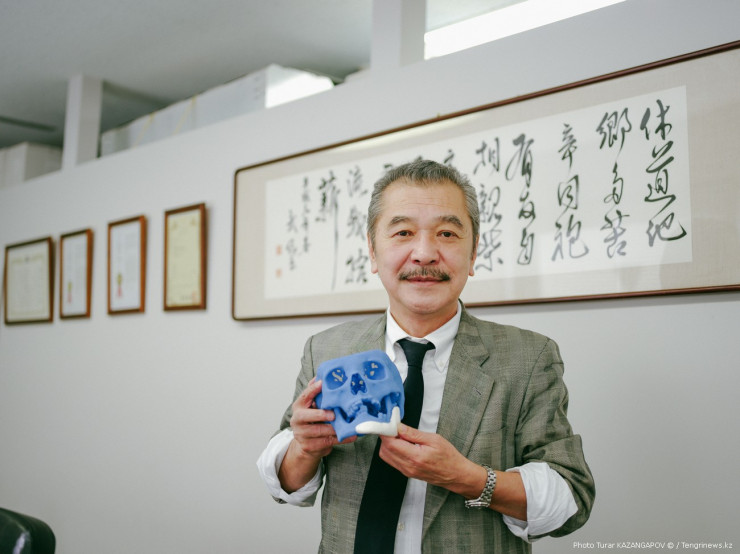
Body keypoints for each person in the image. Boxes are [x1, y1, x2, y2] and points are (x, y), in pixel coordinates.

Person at [257, 159, 595, 553]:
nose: (424, 253)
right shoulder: (327, 350)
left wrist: (468, 478)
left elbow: (571, 497)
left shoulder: (529, 358)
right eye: (403, 232)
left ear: (473, 253)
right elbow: (286, 484)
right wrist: (305, 448)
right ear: (372, 251)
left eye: (447, 233)